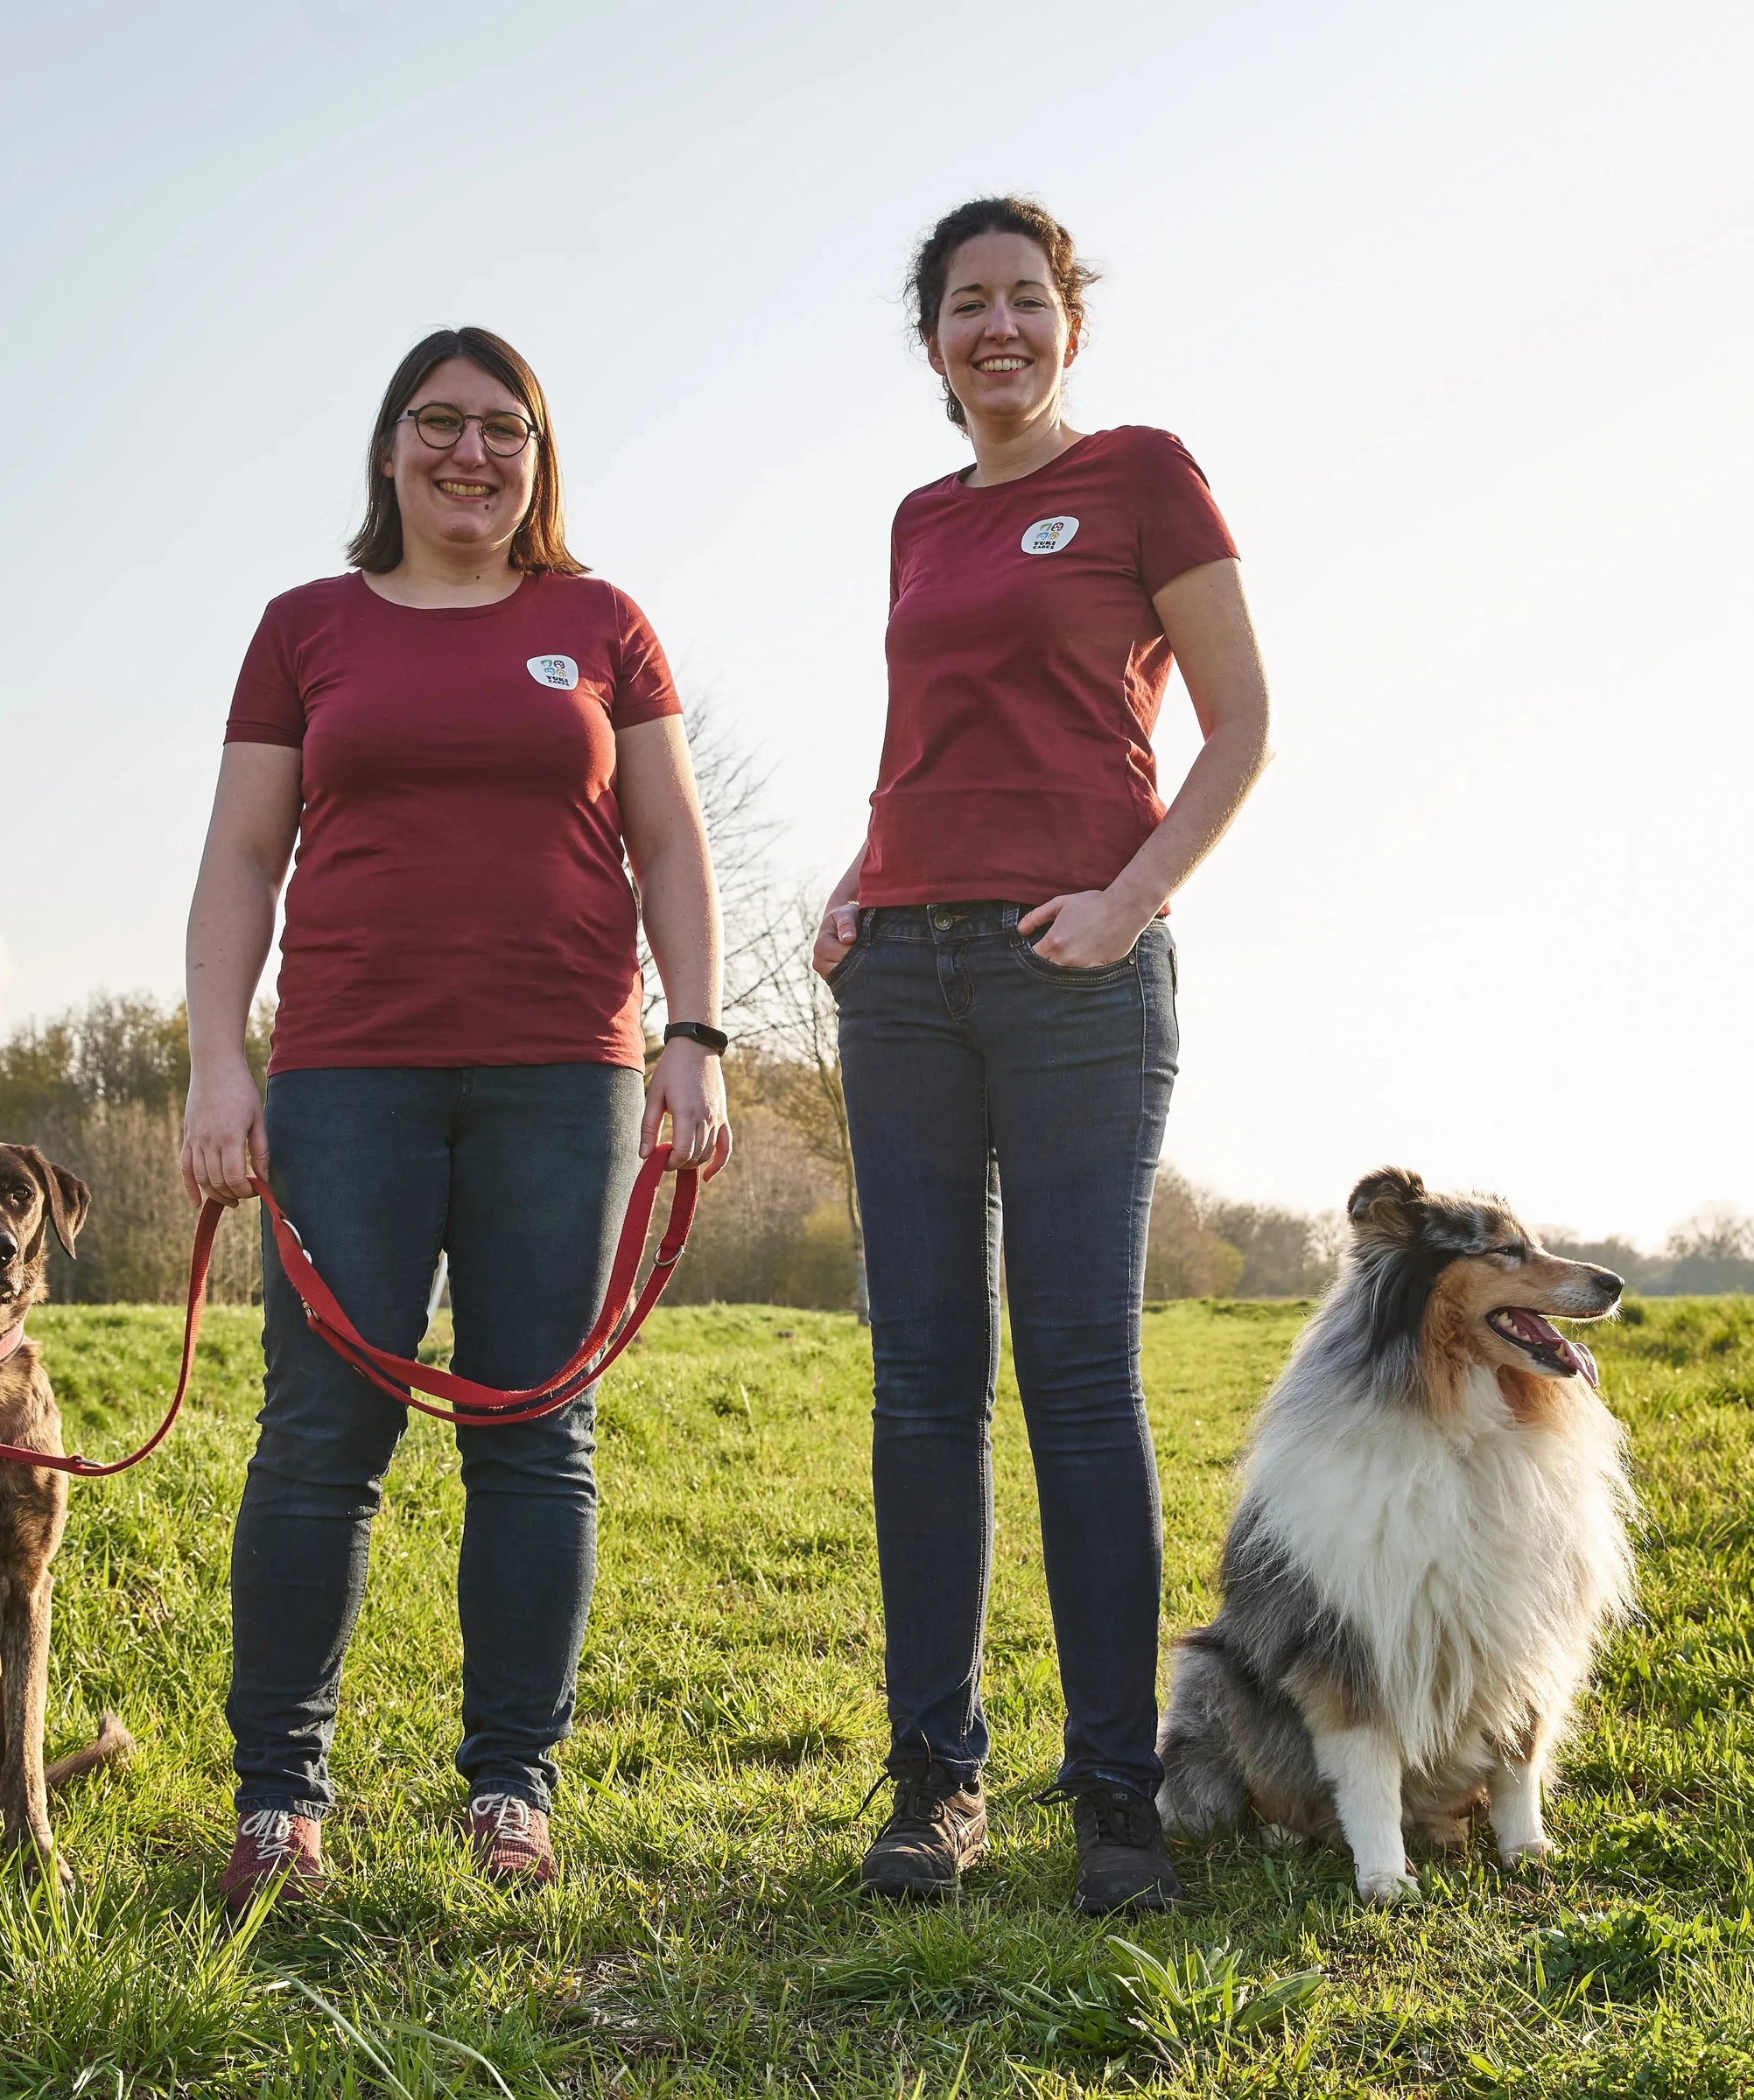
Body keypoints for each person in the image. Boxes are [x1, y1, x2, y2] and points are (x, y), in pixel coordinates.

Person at [183, 326, 730, 1909]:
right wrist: (222, 1063)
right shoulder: (307, 628)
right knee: (318, 1436)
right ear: (389, 449)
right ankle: (282, 1800)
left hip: (567, 1071)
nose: (471, 453)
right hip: (349, 1072)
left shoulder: (601, 622)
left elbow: (673, 846)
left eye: (505, 429)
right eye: (440, 424)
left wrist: (692, 1034)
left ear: (539, 457)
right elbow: (237, 861)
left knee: (530, 1427)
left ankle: (512, 1789)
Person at [814, 199, 1272, 1909]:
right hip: (906, 981)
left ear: (1064, 321)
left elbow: (1241, 722)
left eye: (1022, 300)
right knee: (922, 1386)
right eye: (963, 307)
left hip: (1076, 977)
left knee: (1078, 1381)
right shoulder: (920, 521)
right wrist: (863, 878)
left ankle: (1112, 1796)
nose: (994, 328)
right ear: (931, 342)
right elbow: (923, 742)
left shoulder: (1146, 474)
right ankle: (935, 1783)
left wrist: (1134, 899)